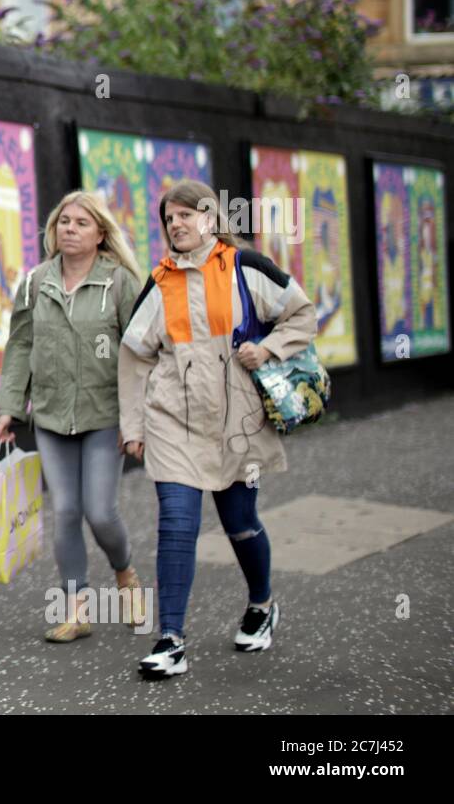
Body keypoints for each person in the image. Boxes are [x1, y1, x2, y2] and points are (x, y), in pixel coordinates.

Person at [119, 179, 317, 679]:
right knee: (177, 525)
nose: (177, 224)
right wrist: (133, 424)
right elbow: (134, 354)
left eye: (186, 214)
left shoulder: (247, 268)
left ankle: (261, 604)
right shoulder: (160, 281)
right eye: (169, 218)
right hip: (174, 423)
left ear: (211, 218)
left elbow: (302, 314)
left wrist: (267, 349)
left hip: (239, 424)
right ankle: (171, 640)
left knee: (240, 523)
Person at [0, 190, 146, 642]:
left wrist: (135, 418)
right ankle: (76, 610)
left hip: (105, 415)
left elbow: (140, 352)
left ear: (101, 234)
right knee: (66, 511)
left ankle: (126, 575)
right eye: (64, 222)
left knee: (100, 511)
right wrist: (9, 406)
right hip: (51, 414)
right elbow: (20, 344)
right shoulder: (35, 282)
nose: (69, 229)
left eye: (81, 223)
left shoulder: (119, 282)